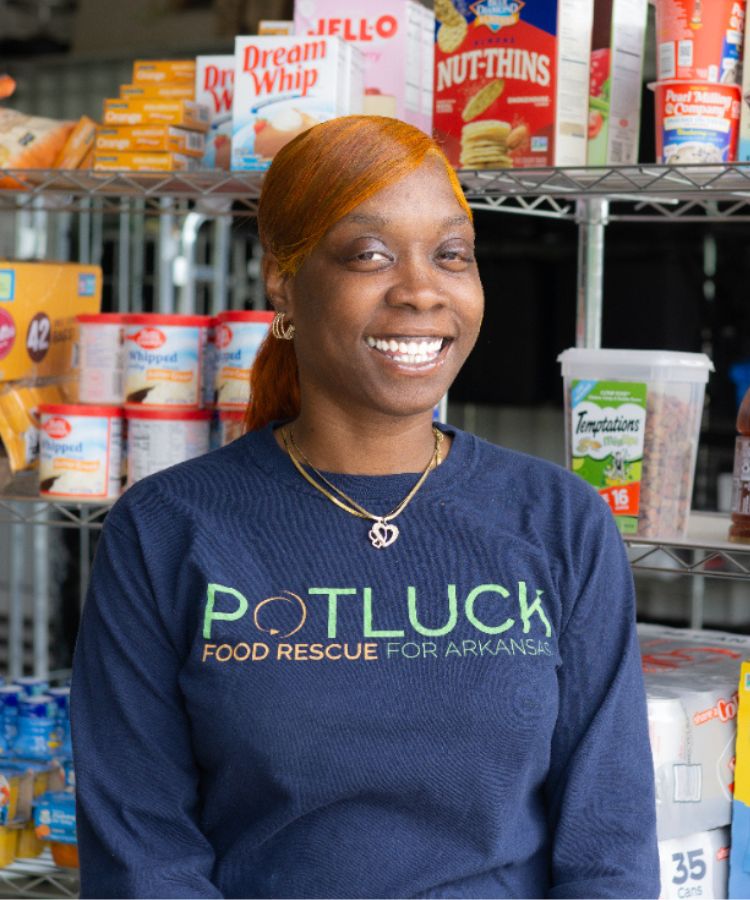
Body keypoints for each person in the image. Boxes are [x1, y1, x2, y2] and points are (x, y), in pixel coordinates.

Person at [71, 115, 660, 899]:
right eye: (370, 254)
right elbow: (142, 853)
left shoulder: (559, 521)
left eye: (452, 254)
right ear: (282, 279)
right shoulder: (168, 528)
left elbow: (609, 847)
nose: (422, 290)